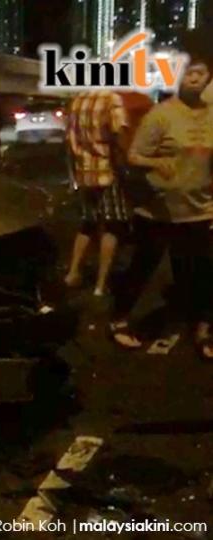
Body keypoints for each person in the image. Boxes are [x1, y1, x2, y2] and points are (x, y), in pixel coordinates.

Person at [109, 52, 213, 361]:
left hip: (200, 209)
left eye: (201, 73)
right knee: (143, 265)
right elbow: (134, 156)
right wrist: (157, 162)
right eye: (188, 73)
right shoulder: (161, 114)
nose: (194, 78)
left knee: (201, 271)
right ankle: (119, 319)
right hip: (158, 210)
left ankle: (203, 329)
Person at [63, 91, 153, 296]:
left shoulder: (78, 100)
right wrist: (129, 160)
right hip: (108, 172)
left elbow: (69, 137)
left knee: (88, 223)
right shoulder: (111, 99)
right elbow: (119, 134)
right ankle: (101, 284)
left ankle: (73, 273)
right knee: (112, 226)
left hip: (84, 173)